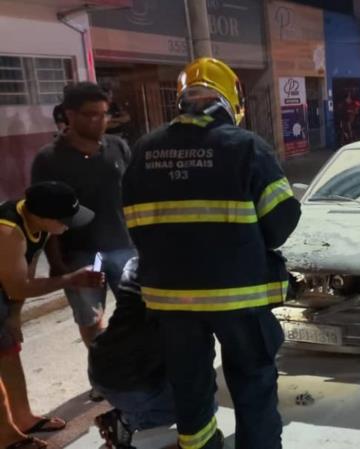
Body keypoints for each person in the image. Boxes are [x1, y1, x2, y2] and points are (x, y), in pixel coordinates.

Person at [122, 57, 301, 449]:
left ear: (182, 100)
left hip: (170, 300)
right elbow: (282, 222)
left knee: (190, 386)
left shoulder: (144, 150)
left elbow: (135, 225)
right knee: (253, 382)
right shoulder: (247, 148)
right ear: (231, 101)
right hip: (239, 296)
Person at [31, 82, 136, 354]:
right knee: (91, 318)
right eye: (91, 114)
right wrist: (57, 262)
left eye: (103, 114)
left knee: (138, 312)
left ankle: (135, 372)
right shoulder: (49, 159)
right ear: (70, 114)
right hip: (83, 254)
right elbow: (44, 215)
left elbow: (134, 195)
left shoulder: (118, 148)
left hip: (123, 247)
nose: (99, 121)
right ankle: (102, 373)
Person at [0, 182, 104, 449]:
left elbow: (28, 269)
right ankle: (7, 438)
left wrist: (14, 315)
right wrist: (70, 279)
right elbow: (18, 285)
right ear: (44, 217)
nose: (69, 226)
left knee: (9, 351)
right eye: (65, 221)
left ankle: (23, 418)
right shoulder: (8, 232)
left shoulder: (38, 225)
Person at [90, 257, 175, 449]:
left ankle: (127, 416)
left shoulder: (138, 261)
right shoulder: (192, 275)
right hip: (133, 381)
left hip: (103, 363)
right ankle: (132, 421)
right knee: (201, 408)